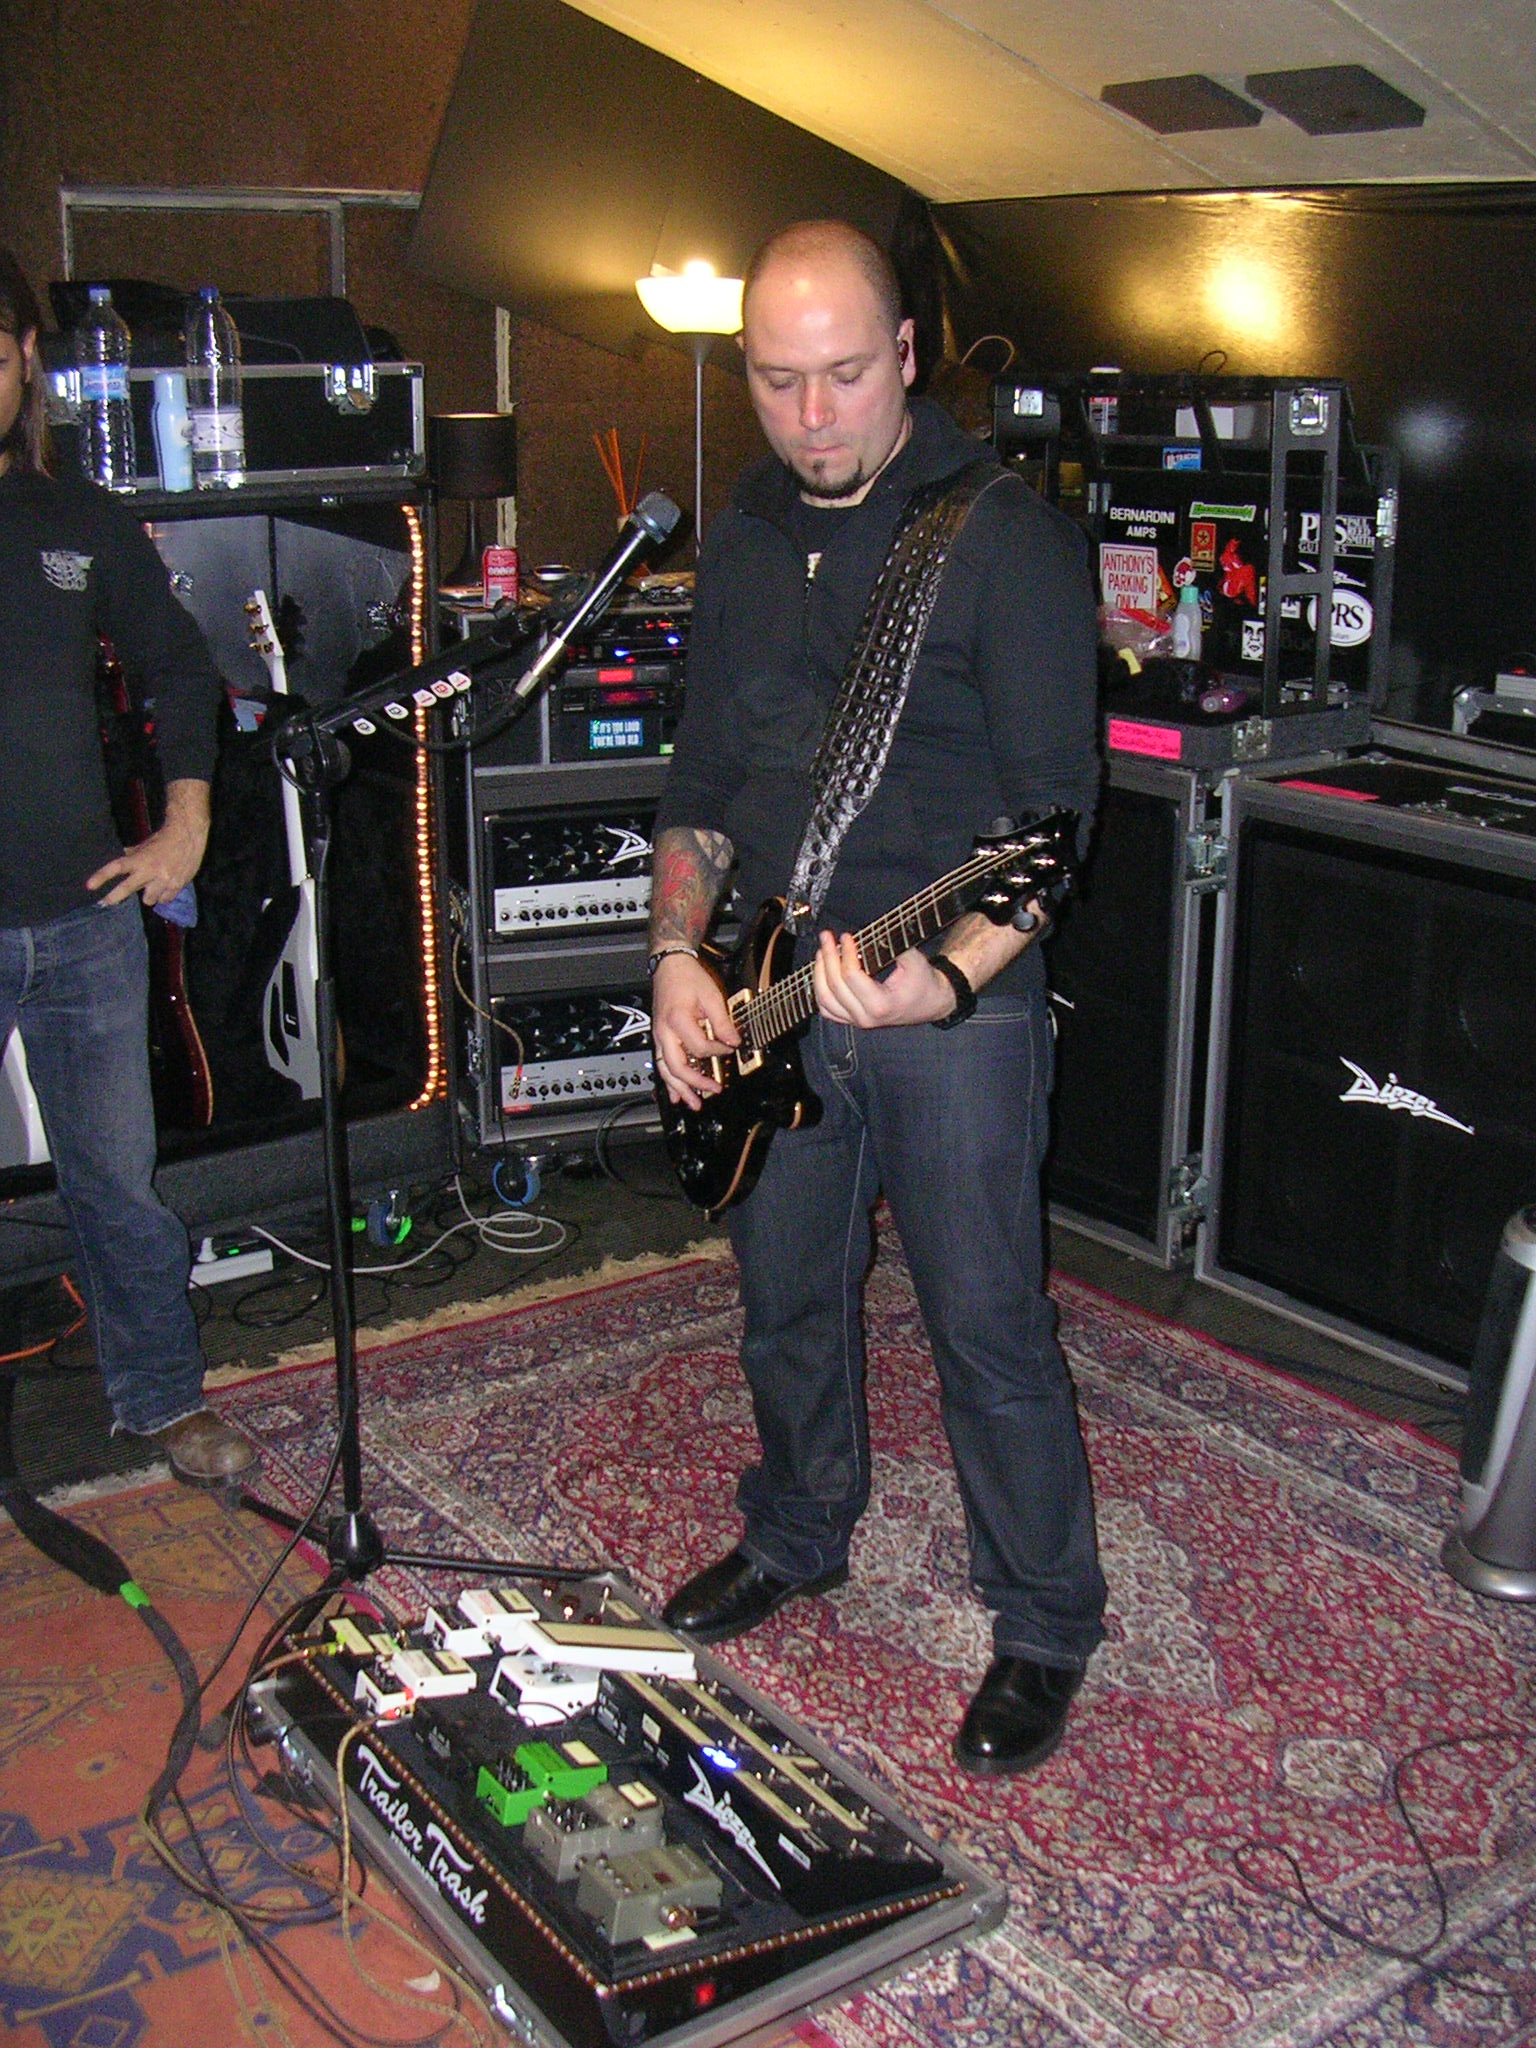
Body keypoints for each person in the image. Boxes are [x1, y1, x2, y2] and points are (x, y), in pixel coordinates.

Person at [648, 220, 1106, 1774]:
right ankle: (797, 1531)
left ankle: (1042, 1622)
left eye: (845, 374)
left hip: (950, 1013)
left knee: (986, 1323)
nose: (814, 414)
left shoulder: (1002, 541)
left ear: (908, 353)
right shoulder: (748, 535)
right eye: (778, 381)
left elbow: (1053, 824)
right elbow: (706, 779)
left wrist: (946, 979)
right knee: (785, 1295)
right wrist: (675, 956)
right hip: (770, 990)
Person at [0, 248, 255, 1483]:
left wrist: (187, 821)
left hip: (84, 917)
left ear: (24, 362)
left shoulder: (79, 520)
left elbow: (180, 664)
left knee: (119, 1186)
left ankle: (158, 1399)